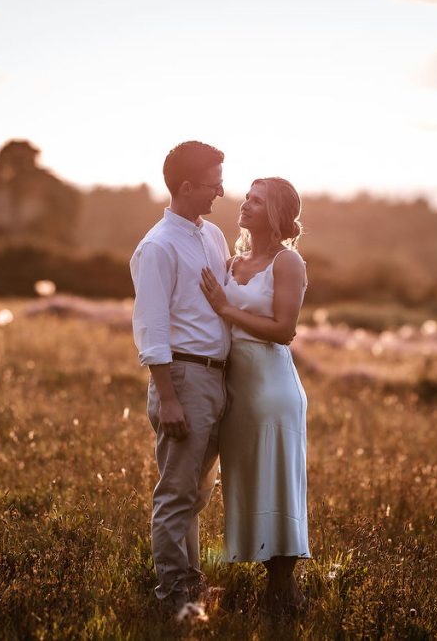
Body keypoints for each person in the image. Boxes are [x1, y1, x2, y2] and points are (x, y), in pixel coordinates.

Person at [199, 176, 309, 616]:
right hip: (235, 390)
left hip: (272, 389)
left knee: (277, 481)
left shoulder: (288, 263)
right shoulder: (231, 261)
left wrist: (227, 309)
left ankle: (283, 589)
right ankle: (261, 569)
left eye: (257, 200)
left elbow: (285, 330)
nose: (244, 204)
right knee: (245, 479)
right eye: (246, 196)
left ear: (277, 213)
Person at [129, 140, 231, 613]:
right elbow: (152, 330)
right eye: (213, 184)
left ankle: (190, 586)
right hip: (183, 379)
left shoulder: (210, 236)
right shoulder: (158, 247)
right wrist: (168, 397)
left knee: (196, 494)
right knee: (175, 494)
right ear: (186, 186)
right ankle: (174, 596)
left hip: (215, 379)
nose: (221, 192)